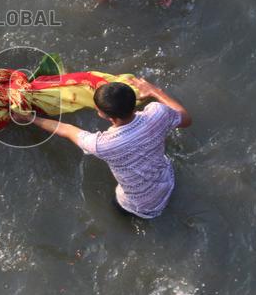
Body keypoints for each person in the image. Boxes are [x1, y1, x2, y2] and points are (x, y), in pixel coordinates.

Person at [14, 78, 191, 219]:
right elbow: (185, 119)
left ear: (103, 115)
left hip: (139, 206)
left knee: (117, 212)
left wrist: (31, 119)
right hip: (167, 182)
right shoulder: (158, 113)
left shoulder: (103, 144)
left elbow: (66, 130)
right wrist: (155, 91)